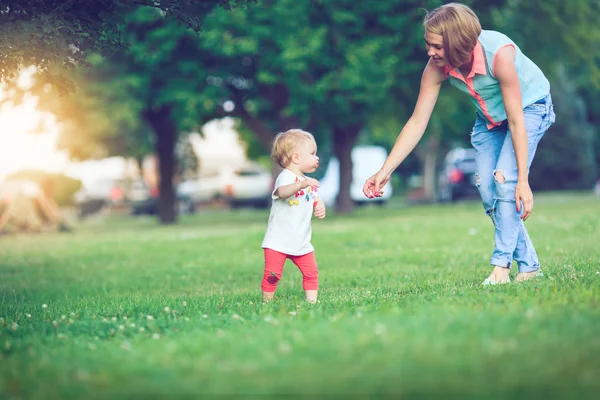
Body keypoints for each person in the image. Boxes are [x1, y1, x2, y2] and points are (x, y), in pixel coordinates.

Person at [363, 3, 555, 285]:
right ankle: (530, 266)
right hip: (489, 119)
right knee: (489, 191)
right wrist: (385, 170)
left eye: (437, 46)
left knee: (504, 181)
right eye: (428, 45)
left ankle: (501, 267)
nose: (430, 52)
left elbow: (516, 121)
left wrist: (522, 180)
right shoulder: (436, 68)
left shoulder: (498, 55)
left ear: (457, 43)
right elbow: (417, 122)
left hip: (528, 110)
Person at [261, 129, 326, 303]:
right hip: (278, 241)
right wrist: (302, 184)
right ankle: (267, 302)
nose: (317, 157)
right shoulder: (286, 177)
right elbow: (282, 192)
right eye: (312, 153)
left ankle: (312, 302)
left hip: (301, 241)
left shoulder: (306, 181)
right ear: (296, 158)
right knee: (273, 274)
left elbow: (313, 196)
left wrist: (319, 204)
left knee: (311, 272)